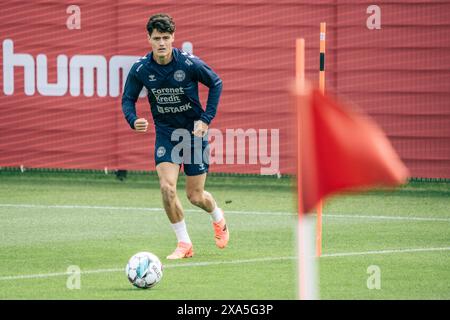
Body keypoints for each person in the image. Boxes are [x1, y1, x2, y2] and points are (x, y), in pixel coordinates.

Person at [121, 13, 228, 259]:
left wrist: (206, 119)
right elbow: (127, 98)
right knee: (167, 188)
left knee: (195, 196)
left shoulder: (189, 64)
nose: (161, 43)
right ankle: (184, 244)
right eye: (157, 38)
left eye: (166, 38)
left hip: (193, 133)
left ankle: (218, 218)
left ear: (173, 38)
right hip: (166, 133)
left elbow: (216, 83)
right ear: (148, 38)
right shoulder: (140, 69)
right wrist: (133, 119)